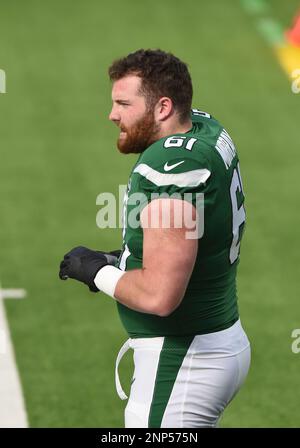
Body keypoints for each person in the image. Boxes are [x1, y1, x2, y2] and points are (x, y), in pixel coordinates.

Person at [59, 49, 251, 428]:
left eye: (123, 103)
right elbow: (193, 236)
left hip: (183, 361)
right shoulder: (203, 128)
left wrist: (98, 272)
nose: (112, 115)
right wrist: (129, 260)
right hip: (211, 342)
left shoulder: (171, 168)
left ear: (163, 107)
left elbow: (160, 296)